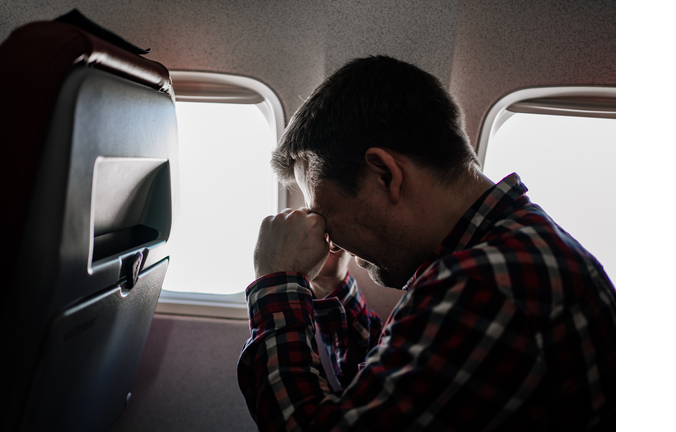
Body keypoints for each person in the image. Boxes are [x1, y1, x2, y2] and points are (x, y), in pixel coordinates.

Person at [237, 55, 615, 431]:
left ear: (385, 174)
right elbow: (397, 388)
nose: (329, 237)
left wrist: (277, 283)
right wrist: (331, 288)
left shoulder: (484, 285)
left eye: (325, 215)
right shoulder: (508, 244)